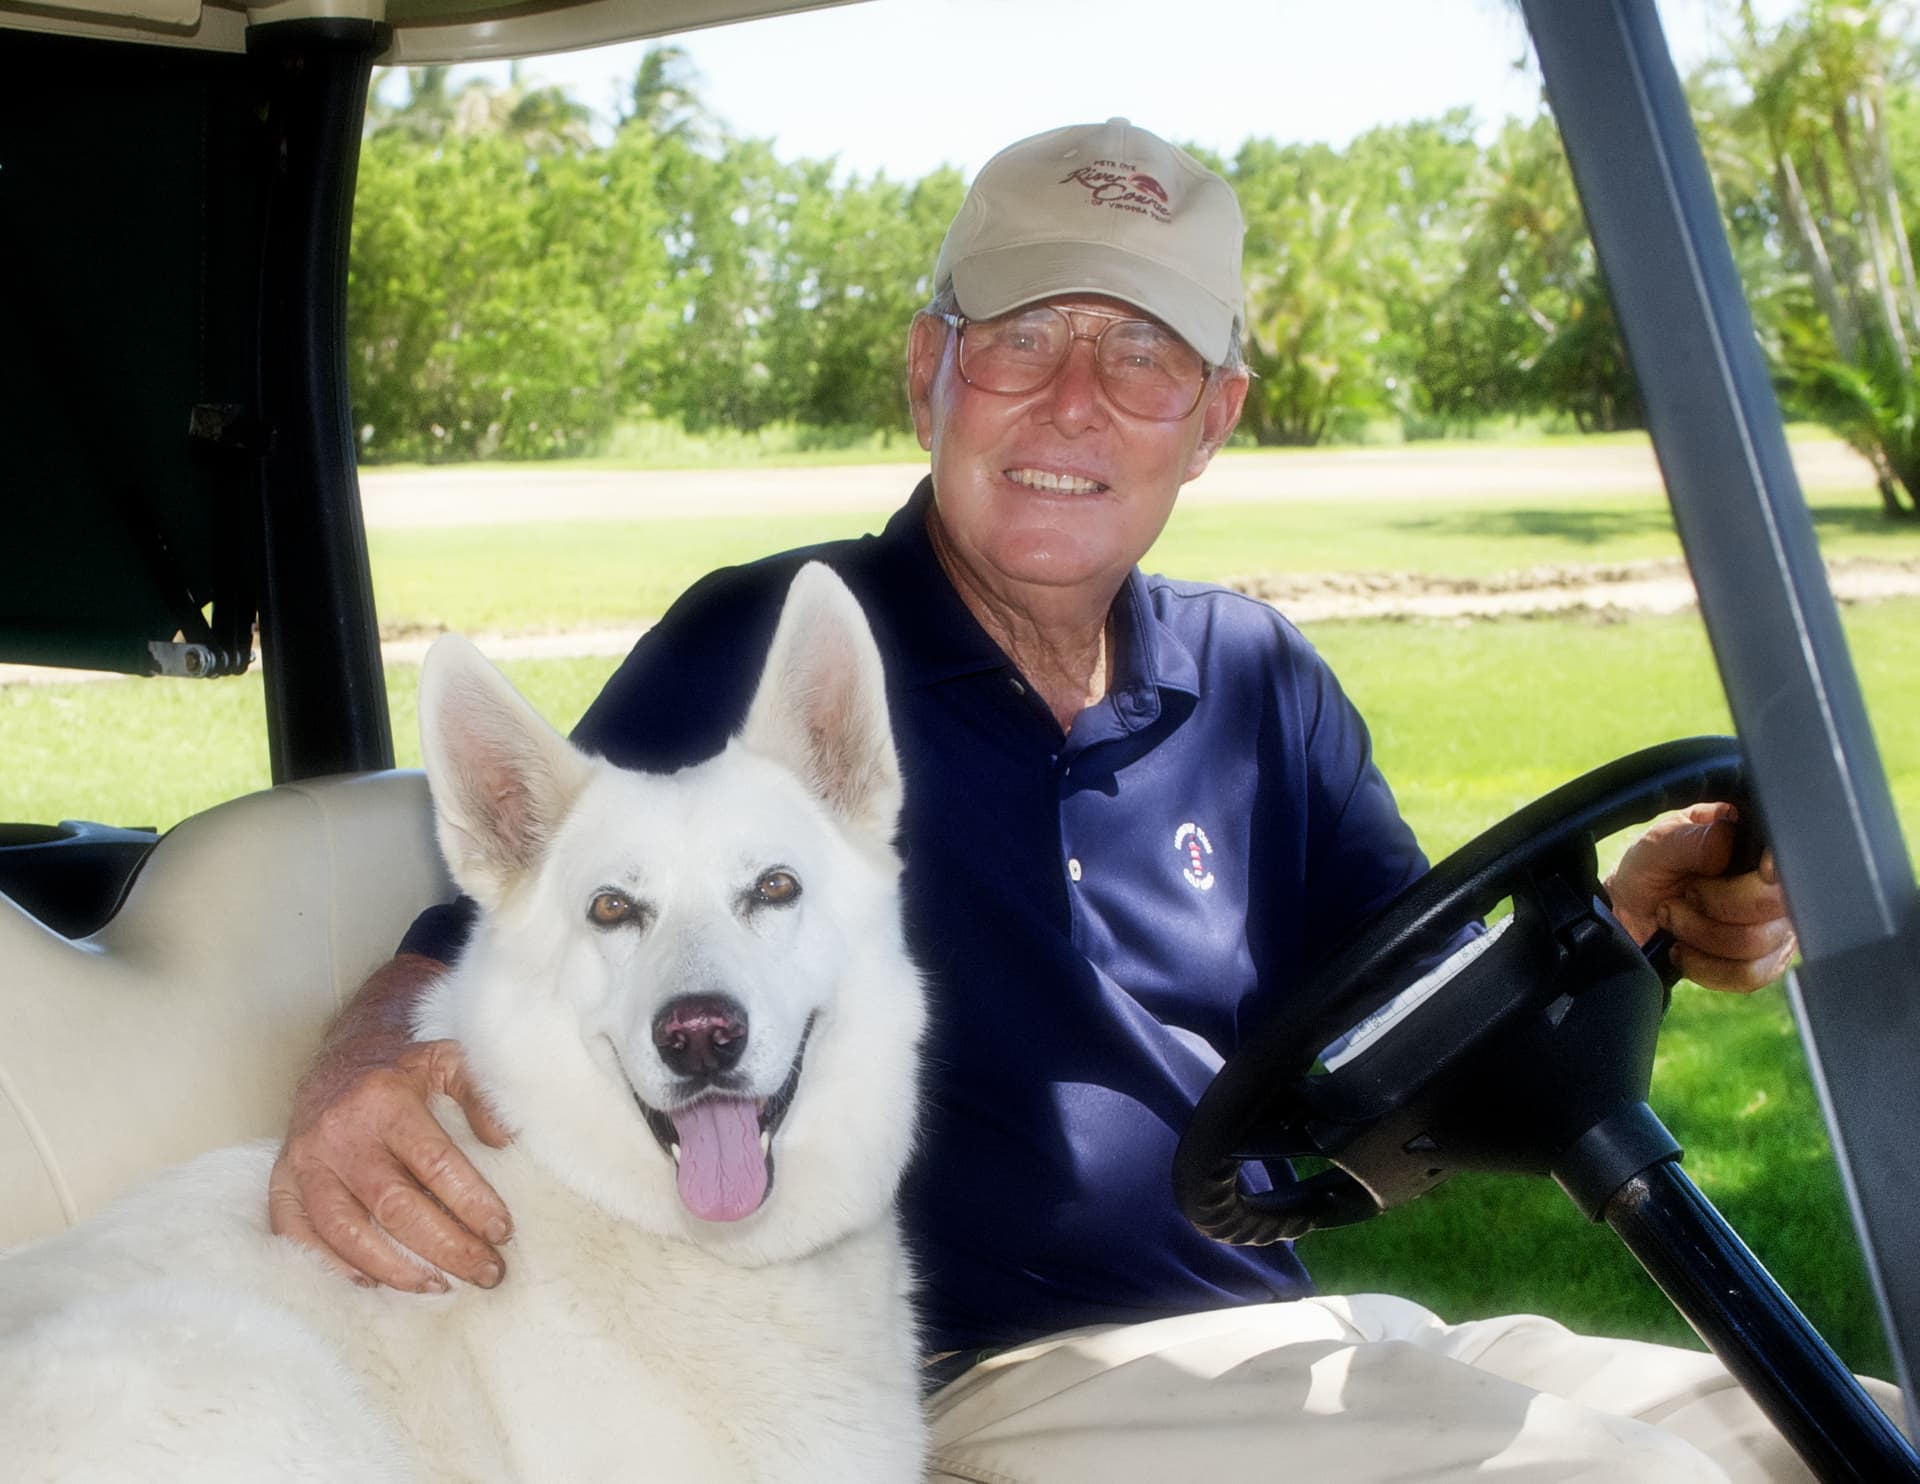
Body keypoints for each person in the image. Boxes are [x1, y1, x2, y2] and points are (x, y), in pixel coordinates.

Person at [272, 119, 1881, 1481]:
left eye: (1143, 355)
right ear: (930, 374)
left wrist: (1625, 928)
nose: (1073, 404)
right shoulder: (781, 655)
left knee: (1833, 1423)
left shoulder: (1259, 684)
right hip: (992, 1383)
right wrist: (358, 1075)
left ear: (1216, 420)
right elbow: (507, 921)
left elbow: (1415, 1031)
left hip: (1286, 1342)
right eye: (1025, 339)